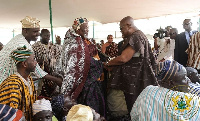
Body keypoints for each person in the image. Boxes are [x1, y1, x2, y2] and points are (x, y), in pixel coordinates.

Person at [104, 16, 158, 113]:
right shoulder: (141, 35)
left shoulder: (135, 36)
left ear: (128, 25)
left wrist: (109, 63)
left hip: (134, 80)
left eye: (121, 28)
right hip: (138, 78)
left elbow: (124, 58)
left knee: (133, 108)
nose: (121, 32)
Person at [58, 17, 105, 117]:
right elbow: (77, 62)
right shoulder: (74, 43)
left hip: (94, 80)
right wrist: (99, 64)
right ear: (78, 30)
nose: (87, 30)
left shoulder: (86, 40)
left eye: (88, 28)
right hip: (85, 83)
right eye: (85, 28)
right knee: (87, 109)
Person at [0, 16, 62, 87]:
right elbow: (36, 70)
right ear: (25, 31)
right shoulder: (23, 45)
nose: (38, 34)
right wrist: (56, 80)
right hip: (6, 83)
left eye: (38, 31)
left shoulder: (18, 38)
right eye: (35, 31)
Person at [130, 60, 200, 121]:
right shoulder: (192, 101)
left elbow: (134, 115)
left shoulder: (147, 91)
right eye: (184, 78)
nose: (188, 80)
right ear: (171, 83)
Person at [0, 46, 37, 121]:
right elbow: (12, 116)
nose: (36, 63)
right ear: (24, 64)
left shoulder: (28, 79)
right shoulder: (14, 84)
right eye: (33, 60)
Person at [32, 29, 61, 97]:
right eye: (45, 36)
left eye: (48, 36)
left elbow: (58, 55)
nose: (48, 37)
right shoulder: (35, 47)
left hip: (52, 74)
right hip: (41, 75)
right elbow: (32, 60)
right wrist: (40, 61)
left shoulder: (53, 46)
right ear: (41, 35)